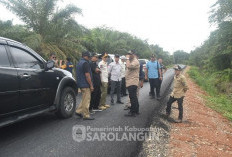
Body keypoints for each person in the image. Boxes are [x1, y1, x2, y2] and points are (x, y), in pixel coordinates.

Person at [75, 51, 94, 120]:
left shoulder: (79, 62)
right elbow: (87, 75)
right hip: (85, 84)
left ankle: (78, 111)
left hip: (80, 83)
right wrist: (91, 85)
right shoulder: (85, 63)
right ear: (85, 56)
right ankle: (86, 115)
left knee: (84, 98)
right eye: (89, 56)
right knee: (87, 100)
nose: (89, 57)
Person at [125, 50, 140, 117]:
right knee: (134, 97)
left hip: (132, 82)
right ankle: (136, 110)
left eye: (130, 54)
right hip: (130, 81)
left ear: (133, 54)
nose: (129, 55)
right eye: (128, 54)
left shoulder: (135, 61)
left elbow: (128, 66)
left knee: (132, 97)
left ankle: (132, 112)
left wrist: (127, 58)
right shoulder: (132, 60)